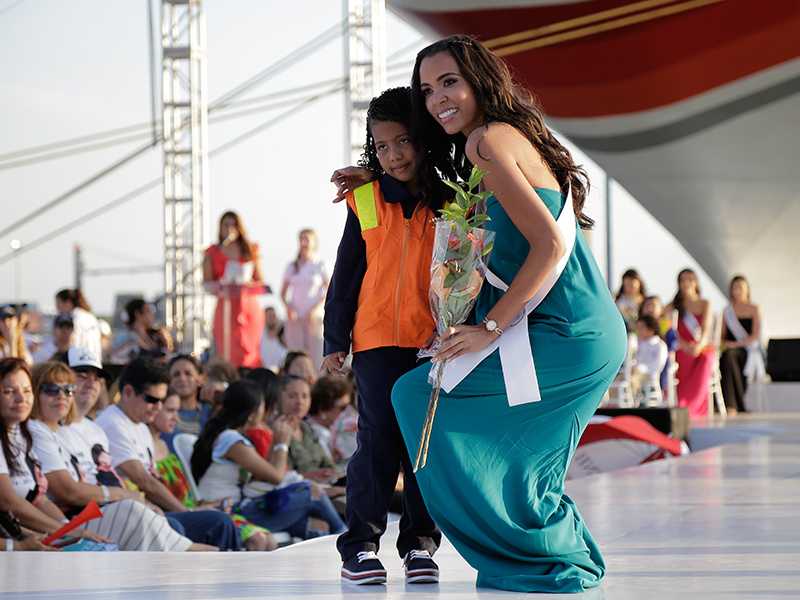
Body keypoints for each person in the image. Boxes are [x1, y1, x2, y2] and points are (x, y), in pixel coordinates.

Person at [388, 36, 627, 592]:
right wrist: (374, 179)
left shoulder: (486, 142)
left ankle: (543, 553)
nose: (437, 98)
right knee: (518, 449)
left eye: (450, 82)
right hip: (575, 326)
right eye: (427, 89)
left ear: (479, 82)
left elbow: (549, 245)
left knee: (415, 395)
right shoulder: (502, 138)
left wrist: (488, 329)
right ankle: (545, 551)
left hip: (564, 328)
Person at [325, 86, 444, 585]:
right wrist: (335, 337)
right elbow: (347, 272)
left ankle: (419, 545)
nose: (394, 155)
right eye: (382, 146)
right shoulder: (365, 200)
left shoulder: (451, 200)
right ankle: (360, 546)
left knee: (423, 445)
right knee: (376, 442)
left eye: (404, 142)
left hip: (433, 342)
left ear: (424, 138)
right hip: (374, 340)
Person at [27, 361, 210, 551]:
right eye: (51, 389)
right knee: (136, 512)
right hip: (76, 517)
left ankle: (201, 556)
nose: (61, 396)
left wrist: (140, 500)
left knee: (169, 519)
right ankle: (199, 555)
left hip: (83, 516)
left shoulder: (79, 429)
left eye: (68, 389)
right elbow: (69, 491)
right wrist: (66, 527)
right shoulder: (37, 430)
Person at [94, 356, 241, 551]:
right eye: (153, 400)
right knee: (213, 523)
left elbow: (152, 480)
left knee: (221, 520)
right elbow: (143, 480)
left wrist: (195, 506)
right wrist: (188, 511)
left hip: (150, 511)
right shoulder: (113, 423)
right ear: (128, 392)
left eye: (161, 401)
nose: (158, 407)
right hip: (128, 516)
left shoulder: (139, 423)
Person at [191, 379, 346, 541]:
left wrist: (276, 442)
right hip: (231, 512)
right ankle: (347, 538)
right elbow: (276, 476)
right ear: (252, 414)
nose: (265, 410)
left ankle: (333, 550)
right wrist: (282, 443)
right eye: (262, 405)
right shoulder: (232, 441)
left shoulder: (227, 435)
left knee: (317, 524)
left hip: (238, 507)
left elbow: (266, 472)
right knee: (312, 493)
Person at [0, 357, 116, 549]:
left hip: (32, 534)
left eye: (27, 391)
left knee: (104, 547)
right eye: (10, 392)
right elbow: (7, 501)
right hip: (17, 543)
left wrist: (65, 529)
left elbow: (40, 499)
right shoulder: (34, 430)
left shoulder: (21, 434)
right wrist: (68, 531)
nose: (21, 398)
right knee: (131, 511)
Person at [148, 388, 276, 551]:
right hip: (177, 514)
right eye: (170, 410)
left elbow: (185, 495)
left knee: (270, 541)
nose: (176, 417)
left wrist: (206, 504)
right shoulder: (144, 448)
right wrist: (281, 443)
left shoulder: (165, 446)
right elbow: (276, 477)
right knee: (254, 538)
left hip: (196, 508)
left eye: (177, 411)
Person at [204, 211, 267, 369]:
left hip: (247, 306)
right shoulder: (212, 252)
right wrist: (221, 283)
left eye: (233, 225)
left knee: (249, 348)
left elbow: (261, 280)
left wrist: (247, 282)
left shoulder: (250, 250)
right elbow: (207, 283)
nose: (229, 229)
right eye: (226, 225)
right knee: (227, 348)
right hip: (226, 306)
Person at [665, 269, 714, 418]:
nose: (686, 283)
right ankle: (681, 402)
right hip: (681, 347)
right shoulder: (671, 306)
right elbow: (668, 331)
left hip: (700, 346)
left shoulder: (705, 304)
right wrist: (685, 345)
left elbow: (706, 327)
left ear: (696, 282)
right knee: (681, 358)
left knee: (707, 359)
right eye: (682, 280)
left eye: (689, 280)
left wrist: (699, 345)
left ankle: (693, 405)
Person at [281, 229, 330, 369]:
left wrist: (315, 309)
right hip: (296, 318)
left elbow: (329, 290)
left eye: (307, 240)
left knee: (316, 359)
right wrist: (289, 308)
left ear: (314, 243)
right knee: (296, 357)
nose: (303, 243)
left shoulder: (321, 264)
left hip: (315, 319)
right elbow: (283, 292)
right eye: (301, 239)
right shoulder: (292, 266)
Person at [720, 275, 764, 413]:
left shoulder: (754, 308)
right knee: (727, 356)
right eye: (734, 288)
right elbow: (721, 335)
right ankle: (730, 403)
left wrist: (738, 344)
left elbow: (755, 334)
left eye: (740, 288)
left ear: (747, 290)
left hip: (747, 349)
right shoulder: (727, 310)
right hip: (730, 350)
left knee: (732, 356)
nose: (737, 291)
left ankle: (736, 403)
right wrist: (727, 344)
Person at [164, 354, 213, 452]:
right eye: (176, 375)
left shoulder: (212, 411)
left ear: (200, 378)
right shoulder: (160, 413)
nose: (182, 379)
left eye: (188, 373)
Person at [109, 299, 173, 365]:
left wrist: (168, 342)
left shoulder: (154, 335)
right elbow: (118, 361)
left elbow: (166, 358)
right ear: (137, 314)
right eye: (148, 310)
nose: (152, 314)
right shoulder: (126, 336)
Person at [307, 375, 353, 461]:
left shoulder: (335, 430)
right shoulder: (313, 435)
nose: (347, 412)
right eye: (342, 407)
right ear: (323, 409)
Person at [54, 289, 102, 359]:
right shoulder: (91, 316)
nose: (57, 307)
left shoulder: (74, 318)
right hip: (94, 361)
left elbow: (74, 344)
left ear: (68, 303)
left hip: (80, 361)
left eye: (58, 303)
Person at [631, 315, 669, 400]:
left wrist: (639, 368)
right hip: (633, 372)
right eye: (637, 328)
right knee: (617, 381)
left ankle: (631, 406)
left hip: (649, 375)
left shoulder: (659, 345)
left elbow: (657, 365)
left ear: (651, 329)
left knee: (631, 382)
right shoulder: (637, 343)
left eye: (642, 328)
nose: (638, 331)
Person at [259, 307, 286, 372]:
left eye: (274, 316)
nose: (272, 319)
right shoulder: (259, 338)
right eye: (269, 316)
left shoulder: (285, 337)